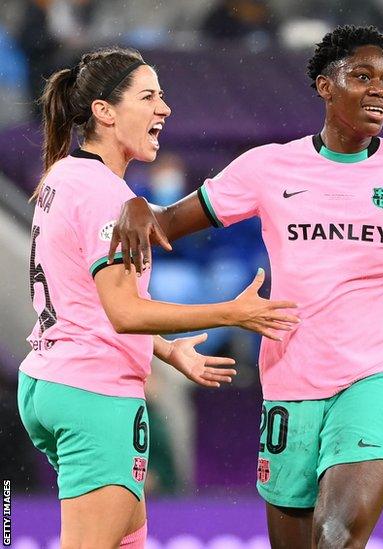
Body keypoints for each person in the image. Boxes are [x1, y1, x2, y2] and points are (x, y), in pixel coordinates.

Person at [108, 25, 383, 548]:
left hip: (374, 378)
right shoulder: (268, 166)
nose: (380, 90)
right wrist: (131, 203)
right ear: (325, 87)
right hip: (290, 382)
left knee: (335, 537)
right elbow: (164, 225)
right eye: (363, 76)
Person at [19, 47, 300, 548]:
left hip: (50, 380)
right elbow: (124, 312)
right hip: (94, 395)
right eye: (148, 97)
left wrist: (169, 350)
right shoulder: (108, 196)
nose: (164, 109)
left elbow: (83, 305)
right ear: (104, 111)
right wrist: (231, 312)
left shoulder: (61, 175)